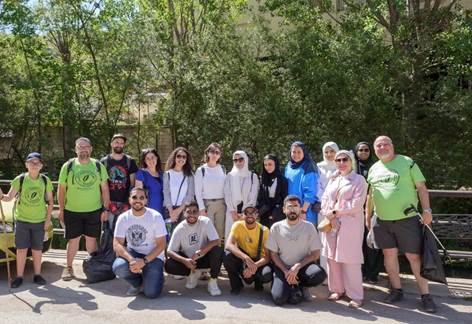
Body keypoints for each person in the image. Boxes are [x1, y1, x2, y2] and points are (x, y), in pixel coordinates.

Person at [366, 135, 436, 313]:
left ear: (392, 146)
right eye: (378, 146)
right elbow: (370, 196)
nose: (382, 148)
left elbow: (421, 187)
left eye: (385, 144)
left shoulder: (407, 162)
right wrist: (367, 218)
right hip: (382, 220)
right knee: (389, 254)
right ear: (375, 150)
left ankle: (426, 296)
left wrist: (427, 211)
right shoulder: (374, 168)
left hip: (408, 219)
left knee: (414, 256)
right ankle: (396, 290)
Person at [320, 150, 367, 308]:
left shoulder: (359, 180)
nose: (341, 162)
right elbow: (325, 199)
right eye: (338, 160)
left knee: (350, 259)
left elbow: (356, 204)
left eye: (344, 159)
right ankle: (337, 289)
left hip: (349, 224)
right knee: (332, 258)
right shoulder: (334, 179)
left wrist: (335, 213)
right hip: (331, 223)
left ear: (351, 161)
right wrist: (330, 215)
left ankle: (355, 294)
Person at [58, 137, 110, 281]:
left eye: (86, 147)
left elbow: (105, 189)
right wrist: (61, 209)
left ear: (91, 149)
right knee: (73, 240)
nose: (83, 149)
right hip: (72, 210)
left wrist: (106, 209)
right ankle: (68, 268)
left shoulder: (98, 166)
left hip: (94, 210)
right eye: (80, 147)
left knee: (91, 240)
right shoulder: (68, 166)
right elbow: (61, 190)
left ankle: (92, 268)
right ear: (76, 149)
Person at [1, 152, 53, 288]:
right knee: (21, 249)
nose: (34, 165)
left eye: (37, 163)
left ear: (41, 165)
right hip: (22, 220)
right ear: (26, 165)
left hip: (39, 221)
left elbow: (50, 201)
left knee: (37, 249)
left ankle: (37, 275)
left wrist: (47, 220)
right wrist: (1, 196)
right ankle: (19, 276)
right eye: (31, 162)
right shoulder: (20, 179)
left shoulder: (45, 180)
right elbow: (9, 197)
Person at [266, 195, 327, 306]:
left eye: (296, 206)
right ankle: (284, 282)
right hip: (282, 267)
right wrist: (285, 271)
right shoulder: (276, 227)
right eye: (289, 207)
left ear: (300, 209)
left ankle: (301, 285)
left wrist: (297, 267)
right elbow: (273, 254)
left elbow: (316, 254)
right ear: (284, 209)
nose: (293, 209)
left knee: (319, 274)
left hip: (302, 267)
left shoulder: (309, 227)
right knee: (279, 299)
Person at [112, 187, 167, 298]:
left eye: (141, 198)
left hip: (153, 256)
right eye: (134, 197)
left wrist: (144, 261)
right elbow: (117, 244)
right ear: (129, 199)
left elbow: (162, 245)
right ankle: (137, 283)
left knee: (151, 294)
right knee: (118, 267)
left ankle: (156, 277)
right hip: (134, 253)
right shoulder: (123, 218)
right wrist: (131, 260)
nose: (138, 200)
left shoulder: (155, 217)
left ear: (146, 200)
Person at [165, 201, 224, 296]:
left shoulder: (205, 221)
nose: (192, 214)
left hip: (204, 257)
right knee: (169, 264)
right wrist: (185, 261)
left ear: (199, 213)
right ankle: (191, 274)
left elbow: (216, 241)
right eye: (189, 211)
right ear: (184, 213)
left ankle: (213, 281)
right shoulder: (179, 228)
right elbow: (170, 251)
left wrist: (201, 252)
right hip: (189, 260)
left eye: (195, 211)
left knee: (218, 250)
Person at [223, 206, 272, 295]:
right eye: (246, 213)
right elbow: (228, 245)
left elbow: (267, 257)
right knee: (227, 257)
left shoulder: (264, 230)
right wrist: (245, 258)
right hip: (244, 258)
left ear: (257, 215)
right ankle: (237, 285)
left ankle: (258, 281)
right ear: (242, 215)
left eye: (253, 213)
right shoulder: (237, 225)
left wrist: (253, 266)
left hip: (259, 261)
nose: (249, 215)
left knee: (267, 275)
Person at [354, 141, 383, 284]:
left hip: (373, 208)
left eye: (366, 150)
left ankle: (372, 274)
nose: (364, 152)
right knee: (359, 242)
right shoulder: (352, 168)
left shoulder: (376, 167)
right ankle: (360, 272)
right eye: (360, 150)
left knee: (373, 243)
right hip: (355, 210)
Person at [100, 134, 138, 230]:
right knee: (107, 234)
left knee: (124, 233)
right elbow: (100, 186)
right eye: (117, 142)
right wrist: (106, 205)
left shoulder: (130, 161)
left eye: (121, 143)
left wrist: (127, 203)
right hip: (108, 204)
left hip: (125, 204)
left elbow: (133, 185)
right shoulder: (104, 162)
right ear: (111, 144)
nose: (119, 145)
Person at [224, 150, 259, 239]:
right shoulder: (230, 176)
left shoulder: (253, 176)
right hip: (232, 212)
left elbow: (253, 196)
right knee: (231, 236)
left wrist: (244, 213)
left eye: (240, 159)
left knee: (245, 238)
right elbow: (227, 194)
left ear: (246, 160)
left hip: (247, 213)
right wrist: (232, 212)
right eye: (235, 160)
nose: (238, 162)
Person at [194, 143, 226, 239]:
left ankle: (219, 252)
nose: (214, 155)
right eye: (212, 152)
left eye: (217, 152)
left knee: (220, 232)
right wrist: (201, 209)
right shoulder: (201, 170)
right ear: (207, 153)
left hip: (221, 204)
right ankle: (208, 253)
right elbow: (197, 192)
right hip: (207, 205)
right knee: (207, 233)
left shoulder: (223, 169)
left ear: (220, 155)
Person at [285, 141, 319, 225]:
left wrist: (303, 211)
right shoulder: (288, 166)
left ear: (304, 152)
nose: (296, 155)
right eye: (294, 152)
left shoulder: (308, 166)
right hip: (291, 210)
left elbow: (311, 192)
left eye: (299, 152)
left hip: (305, 212)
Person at [163, 147, 195, 234]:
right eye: (179, 156)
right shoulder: (167, 174)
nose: (181, 159)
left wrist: (178, 211)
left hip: (184, 210)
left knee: (182, 235)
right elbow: (166, 193)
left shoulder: (190, 175)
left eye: (184, 157)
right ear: (174, 157)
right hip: (168, 210)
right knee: (169, 235)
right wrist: (171, 212)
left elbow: (190, 194)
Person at [257, 154, 288, 228]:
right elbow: (260, 198)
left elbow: (285, 199)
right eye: (265, 165)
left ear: (275, 164)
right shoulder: (262, 179)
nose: (267, 167)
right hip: (264, 215)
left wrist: (275, 213)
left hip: (278, 216)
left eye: (270, 164)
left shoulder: (282, 179)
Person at [135, 148, 164, 215]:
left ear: (157, 158)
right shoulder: (141, 173)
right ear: (144, 161)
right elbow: (138, 194)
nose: (150, 160)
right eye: (147, 158)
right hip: (147, 210)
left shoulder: (162, 174)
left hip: (163, 210)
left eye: (152, 157)